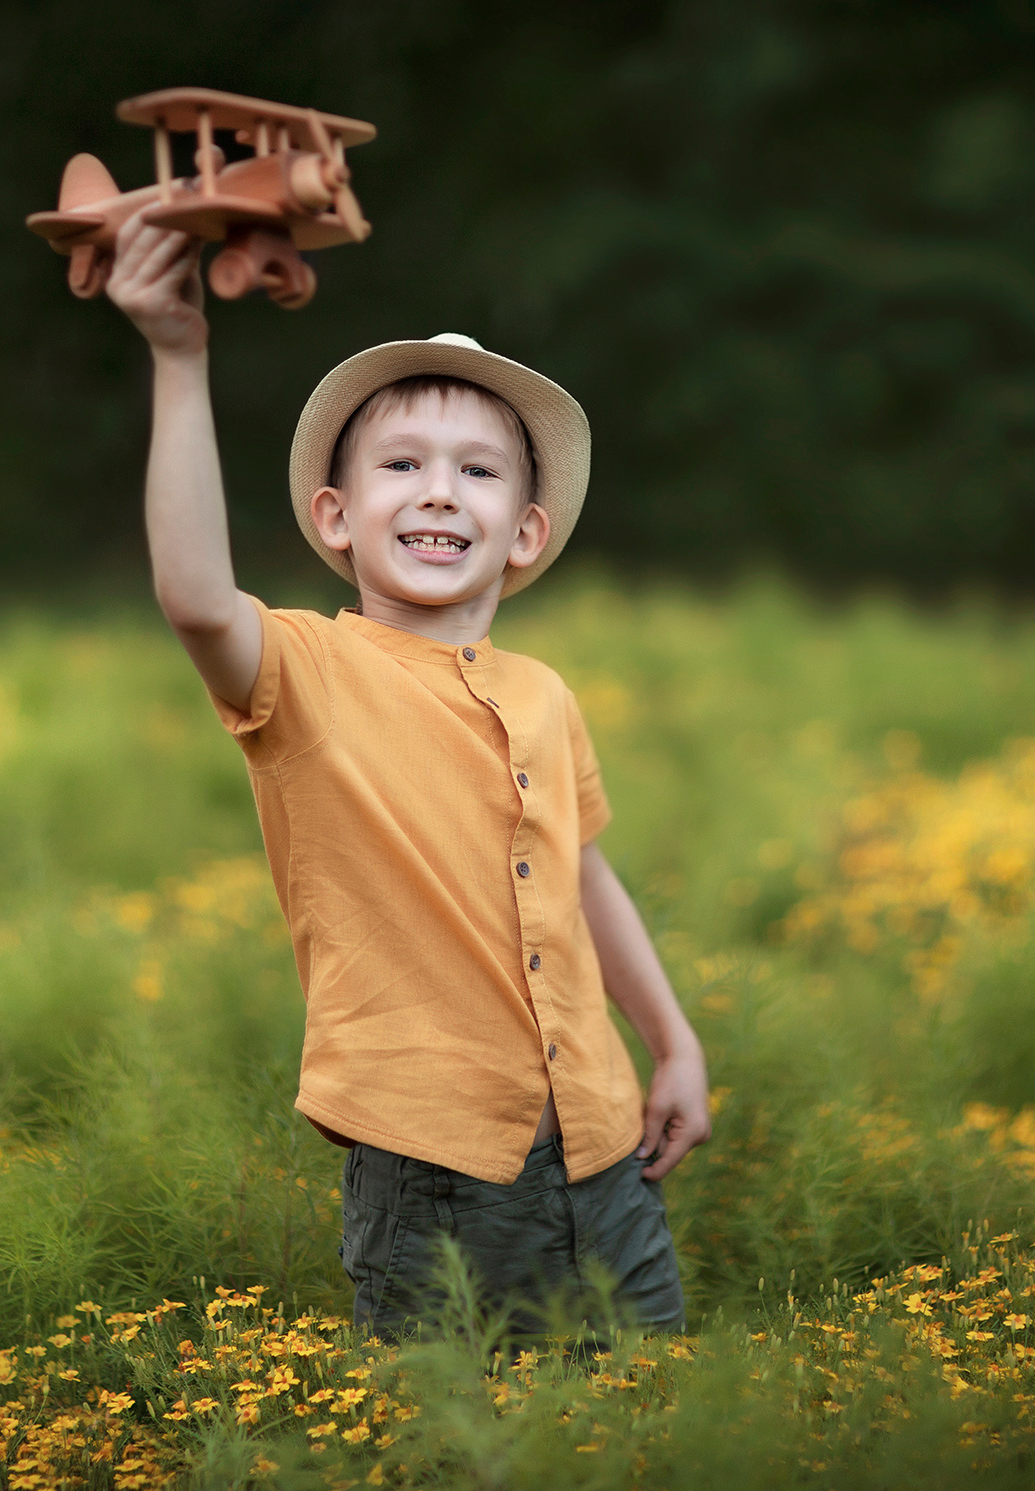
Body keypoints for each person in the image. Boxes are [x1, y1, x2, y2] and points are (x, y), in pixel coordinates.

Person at [103, 206, 712, 1337]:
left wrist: (671, 1042)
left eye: (477, 472)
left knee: (637, 1429)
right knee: (453, 1455)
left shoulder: (540, 690)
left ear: (523, 531)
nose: (439, 492)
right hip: (437, 1177)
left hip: (603, 1155)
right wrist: (179, 359)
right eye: (402, 465)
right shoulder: (305, 672)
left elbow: (581, 876)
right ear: (336, 515)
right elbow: (192, 596)